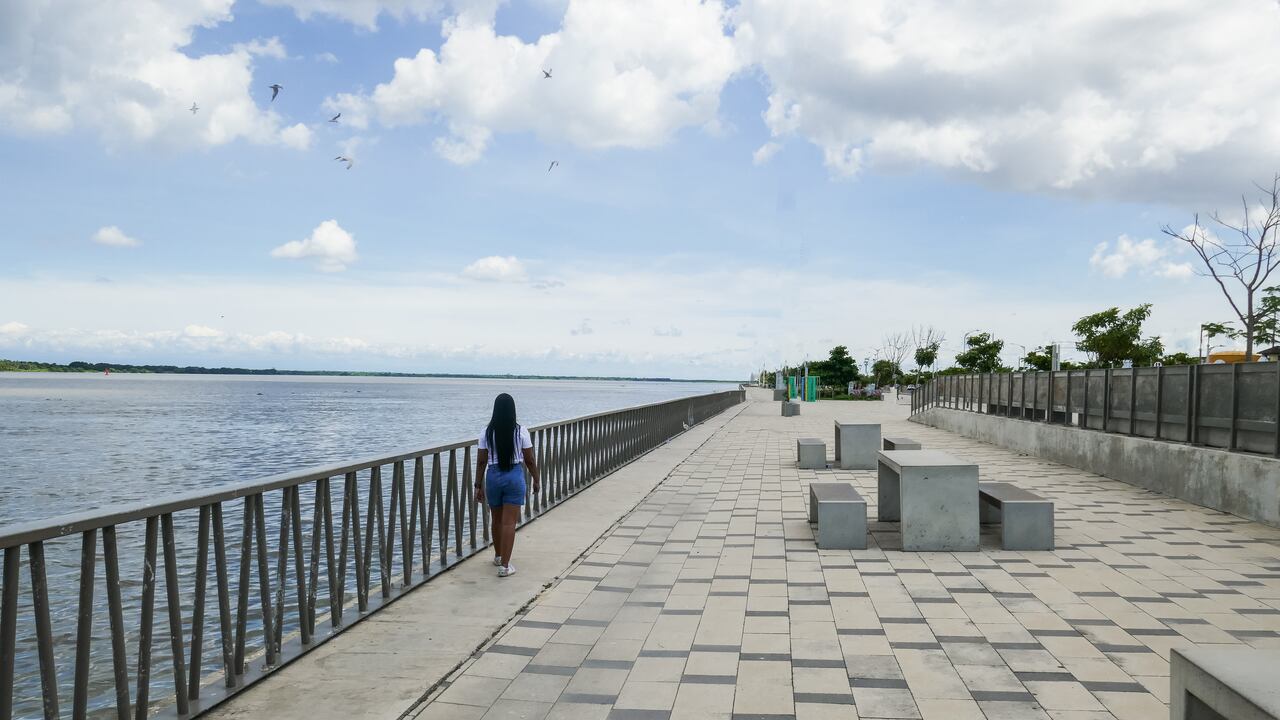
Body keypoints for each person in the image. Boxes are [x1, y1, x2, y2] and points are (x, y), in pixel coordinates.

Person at [474, 393, 540, 577]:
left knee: (496, 519)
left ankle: (497, 555)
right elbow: (530, 459)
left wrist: (477, 485)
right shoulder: (521, 431)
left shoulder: (486, 432)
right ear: (513, 410)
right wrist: (536, 478)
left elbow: (481, 461)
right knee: (509, 523)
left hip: (493, 476)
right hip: (514, 476)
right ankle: (505, 566)